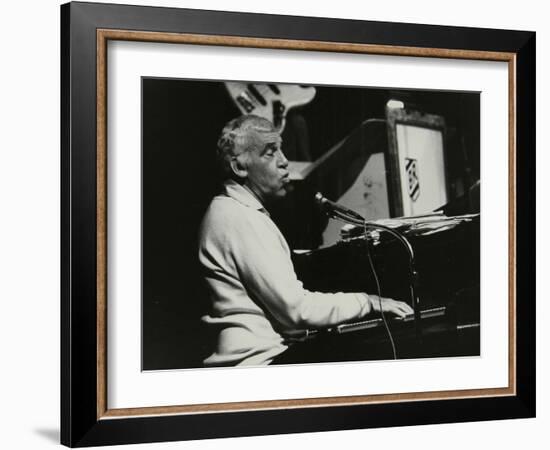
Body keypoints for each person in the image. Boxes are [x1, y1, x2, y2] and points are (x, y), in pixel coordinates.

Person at [198, 115, 413, 366]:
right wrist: (367, 302)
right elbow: (297, 310)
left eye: (281, 150)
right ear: (240, 167)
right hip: (259, 365)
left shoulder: (237, 211)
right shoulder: (237, 217)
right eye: (270, 153)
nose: (284, 161)